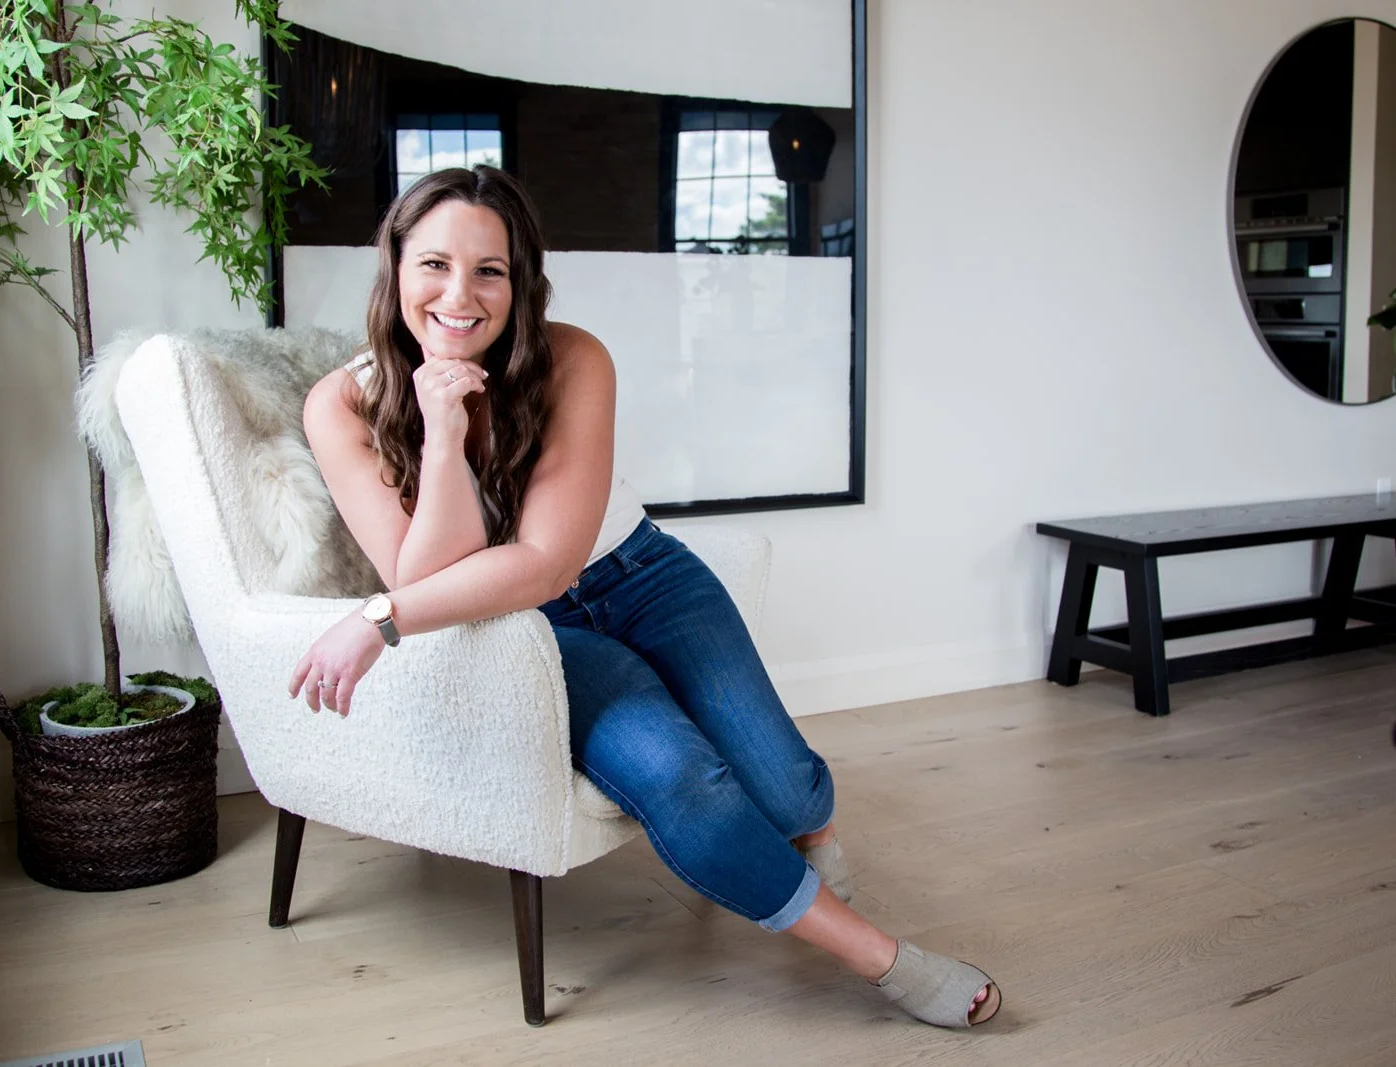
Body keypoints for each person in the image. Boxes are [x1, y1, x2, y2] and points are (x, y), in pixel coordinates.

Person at [289, 165, 1001, 1029]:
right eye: (434, 264)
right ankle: (881, 957)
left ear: (522, 281)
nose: (460, 294)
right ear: (395, 266)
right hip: (524, 631)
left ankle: (812, 835)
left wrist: (378, 621)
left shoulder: (574, 358)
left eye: (491, 270)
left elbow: (546, 559)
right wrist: (441, 434)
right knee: (686, 780)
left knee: (788, 792)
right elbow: (424, 574)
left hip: (643, 577)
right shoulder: (341, 403)